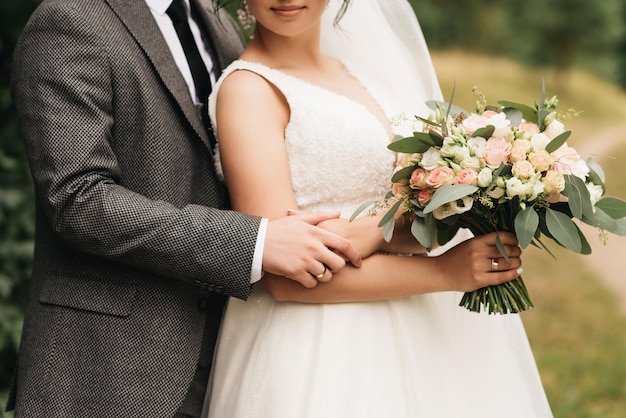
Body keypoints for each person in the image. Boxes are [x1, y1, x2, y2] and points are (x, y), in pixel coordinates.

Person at [7, 0, 364, 416]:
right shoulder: (69, 19)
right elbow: (78, 201)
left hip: (229, 361)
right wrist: (255, 241)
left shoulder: (217, 21)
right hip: (106, 369)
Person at [205, 0, 553, 416]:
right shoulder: (248, 90)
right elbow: (282, 277)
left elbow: (422, 216)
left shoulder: (362, 73)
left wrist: (381, 227)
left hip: (427, 328)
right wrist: (446, 271)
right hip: (322, 345)